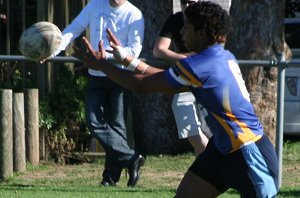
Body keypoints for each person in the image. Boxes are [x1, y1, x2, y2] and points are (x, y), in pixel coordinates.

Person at [75, 1, 279, 197]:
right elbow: (160, 77)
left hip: (249, 153)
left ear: (201, 33)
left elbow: (142, 85)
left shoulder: (199, 65)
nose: (181, 32)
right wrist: (128, 60)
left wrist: (101, 65)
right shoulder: (220, 57)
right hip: (222, 150)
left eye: (187, 27)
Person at [49, 0, 146, 187]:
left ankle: (109, 178)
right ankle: (131, 158)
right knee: (93, 121)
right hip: (96, 76)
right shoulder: (95, 5)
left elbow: (134, 50)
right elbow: (73, 29)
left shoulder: (135, 14)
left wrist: (106, 57)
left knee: (118, 126)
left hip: (121, 77)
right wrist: (52, 51)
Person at [153, 0, 210, 156]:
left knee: (212, 132)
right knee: (181, 107)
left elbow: (210, 52)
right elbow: (158, 50)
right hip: (184, 76)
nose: (187, 6)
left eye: (192, 2)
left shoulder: (209, 19)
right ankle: (205, 168)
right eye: (184, 2)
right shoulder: (175, 20)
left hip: (207, 79)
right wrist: (184, 59)